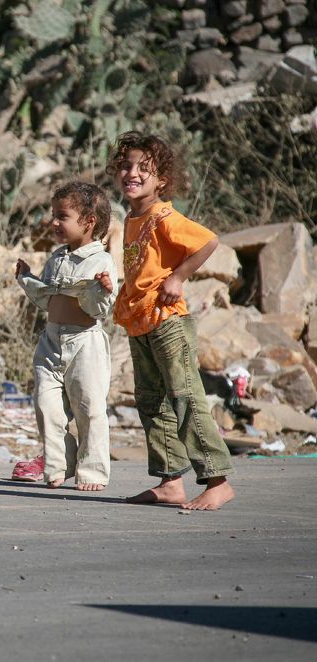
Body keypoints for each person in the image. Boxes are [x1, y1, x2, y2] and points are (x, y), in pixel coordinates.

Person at [108, 130, 235, 510]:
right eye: (126, 166)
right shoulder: (133, 217)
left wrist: (178, 278)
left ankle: (217, 480)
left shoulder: (164, 215)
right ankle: (170, 482)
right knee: (152, 401)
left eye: (143, 169)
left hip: (167, 322)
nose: (132, 173)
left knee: (185, 397)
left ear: (161, 179)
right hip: (141, 321)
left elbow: (207, 241)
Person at [15, 182, 116, 491]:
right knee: (47, 407)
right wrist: (26, 279)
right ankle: (59, 465)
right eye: (53, 215)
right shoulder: (57, 258)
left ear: (89, 222)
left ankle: (93, 472)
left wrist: (105, 289)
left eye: (62, 216)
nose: (54, 223)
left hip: (84, 343)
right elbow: (47, 297)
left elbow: (99, 307)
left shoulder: (101, 261)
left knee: (90, 410)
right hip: (51, 341)